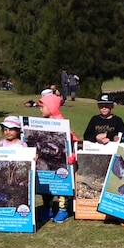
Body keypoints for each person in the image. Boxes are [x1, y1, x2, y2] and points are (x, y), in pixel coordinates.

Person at [37, 93, 77, 223]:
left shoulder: (61, 123)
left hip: (62, 163)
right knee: (46, 185)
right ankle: (47, 208)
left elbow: (73, 141)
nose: (40, 109)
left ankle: (63, 210)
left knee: (61, 186)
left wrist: (73, 156)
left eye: (42, 106)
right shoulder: (41, 124)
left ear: (51, 106)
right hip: (46, 161)